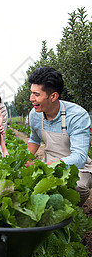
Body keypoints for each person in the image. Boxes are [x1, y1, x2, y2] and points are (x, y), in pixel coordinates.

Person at [27, 67, 92, 206]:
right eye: (31, 93)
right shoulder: (35, 114)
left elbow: (79, 158)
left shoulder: (77, 116)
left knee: (77, 186)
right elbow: (34, 139)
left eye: (36, 94)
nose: (31, 99)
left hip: (77, 168)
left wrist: (47, 167)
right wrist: (25, 160)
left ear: (53, 96)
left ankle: (72, 215)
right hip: (49, 161)